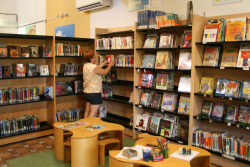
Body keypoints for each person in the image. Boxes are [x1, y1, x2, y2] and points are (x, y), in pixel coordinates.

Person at [83, 50, 114, 117]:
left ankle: (84, 125)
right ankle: (88, 126)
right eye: (94, 56)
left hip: (87, 91)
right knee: (93, 112)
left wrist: (104, 63)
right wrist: (110, 65)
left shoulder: (86, 65)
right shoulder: (94, 67)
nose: (95, 57)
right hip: (94, 92)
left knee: (87, 111)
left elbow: (96, 69)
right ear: (91, 58)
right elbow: (105, 72)